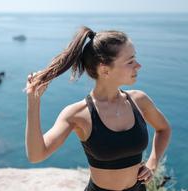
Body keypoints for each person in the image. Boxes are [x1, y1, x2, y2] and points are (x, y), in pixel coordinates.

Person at [24, 26, 171, 191]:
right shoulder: (78, 114)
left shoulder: (139, 100)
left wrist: (152, 163)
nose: (138, 65)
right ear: (105, 70)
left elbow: (163, 129)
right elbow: (36, 155)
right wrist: (34, 102)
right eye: (130, 61)